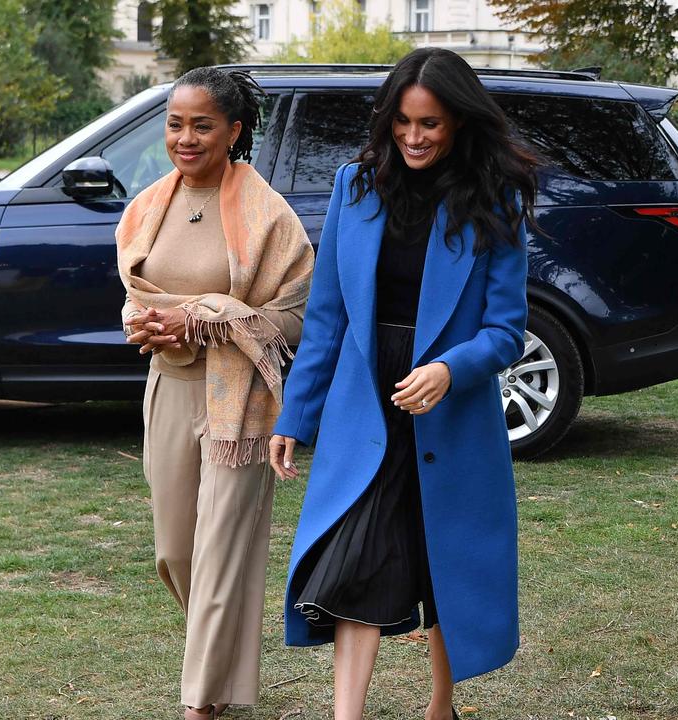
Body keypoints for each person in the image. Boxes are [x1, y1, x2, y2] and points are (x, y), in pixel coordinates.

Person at [267, 47, 539, 720]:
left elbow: (506, 332)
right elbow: (326, 317)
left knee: (443, 560)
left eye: (431, 125)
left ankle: (440, 707)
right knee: (355, 556)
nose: (414, 137)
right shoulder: (353, 187)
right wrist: (292, 417)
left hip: (448, 408)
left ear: (458, 125)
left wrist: (450, 369)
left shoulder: (494, 199)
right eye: (403, 123)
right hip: (367, 404)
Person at [116, 67, 314, 719]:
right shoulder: (148, 205)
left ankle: (201, 705)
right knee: (175, 553)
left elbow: (293, 317)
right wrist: (145, 321)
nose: (186, 137)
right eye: (176, 124)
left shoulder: (268, 216)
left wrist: (204, 315)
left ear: (234, 130)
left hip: (239, 403)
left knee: (222, 549)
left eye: (203, 125)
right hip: (168, 390)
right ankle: (222, 666)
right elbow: (137, 293)